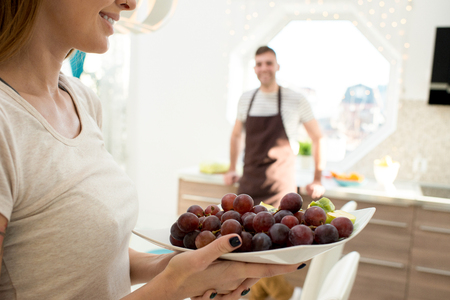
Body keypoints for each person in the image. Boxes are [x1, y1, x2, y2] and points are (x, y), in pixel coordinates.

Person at [0, 1, 303, 299]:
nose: (130, 3)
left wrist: (177, 268)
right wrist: (172, 289)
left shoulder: (82, 101)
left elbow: (89, 263)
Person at [223, 46, 326, 300]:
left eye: (268, 63)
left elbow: (317, 136)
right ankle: (281, 295)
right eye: (259, 64)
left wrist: (317, 178)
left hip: (281, 187)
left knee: (273, 248)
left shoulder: (295, 99)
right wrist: (232, 168)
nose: (263, 68)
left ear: (277, 66)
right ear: (255, 68)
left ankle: (284, 295)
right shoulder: (246, 98)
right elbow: (236, 134)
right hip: (249, 184)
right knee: (247, 248)